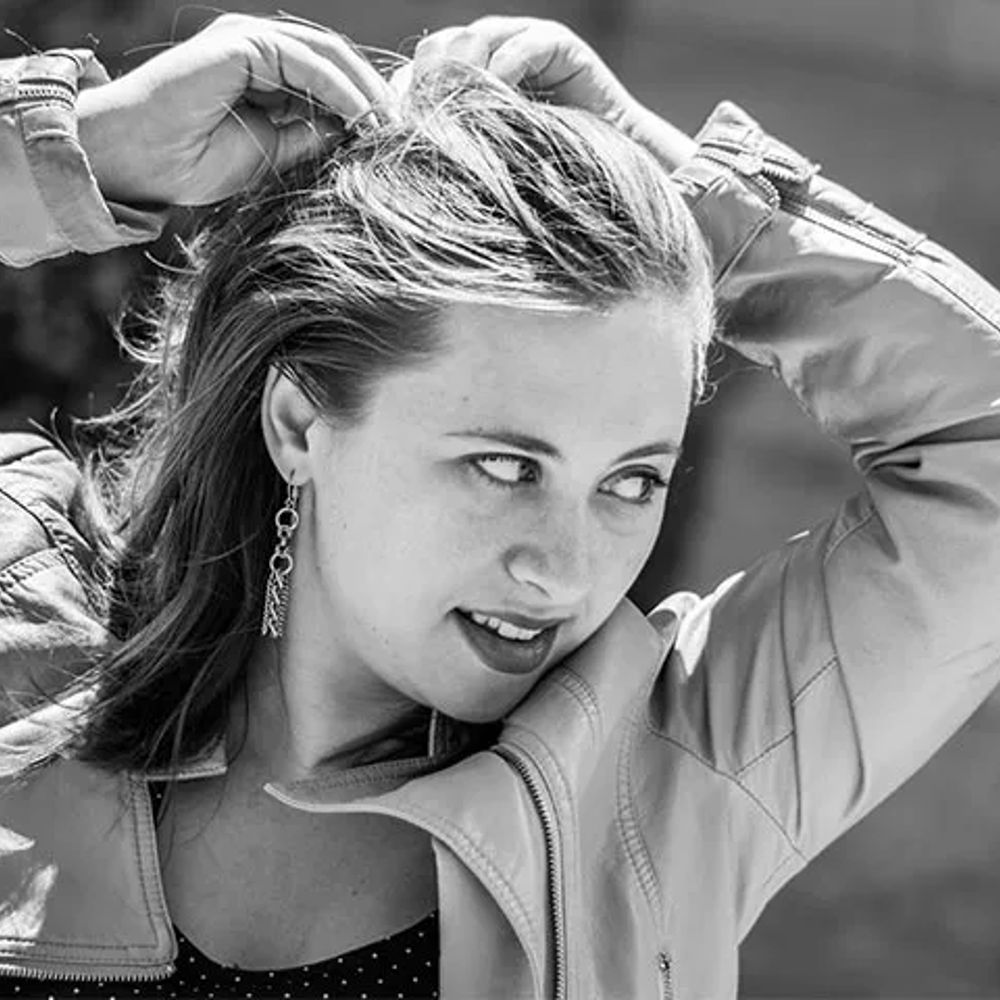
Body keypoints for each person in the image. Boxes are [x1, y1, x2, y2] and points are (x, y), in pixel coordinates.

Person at [0, 12, 997, 1000]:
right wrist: (74, 150)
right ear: (300, 424)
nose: (563, 570)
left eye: (632, 482)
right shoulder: (23, 618)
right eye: (507, 467)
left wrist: (702, 200)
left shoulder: (679, 775)